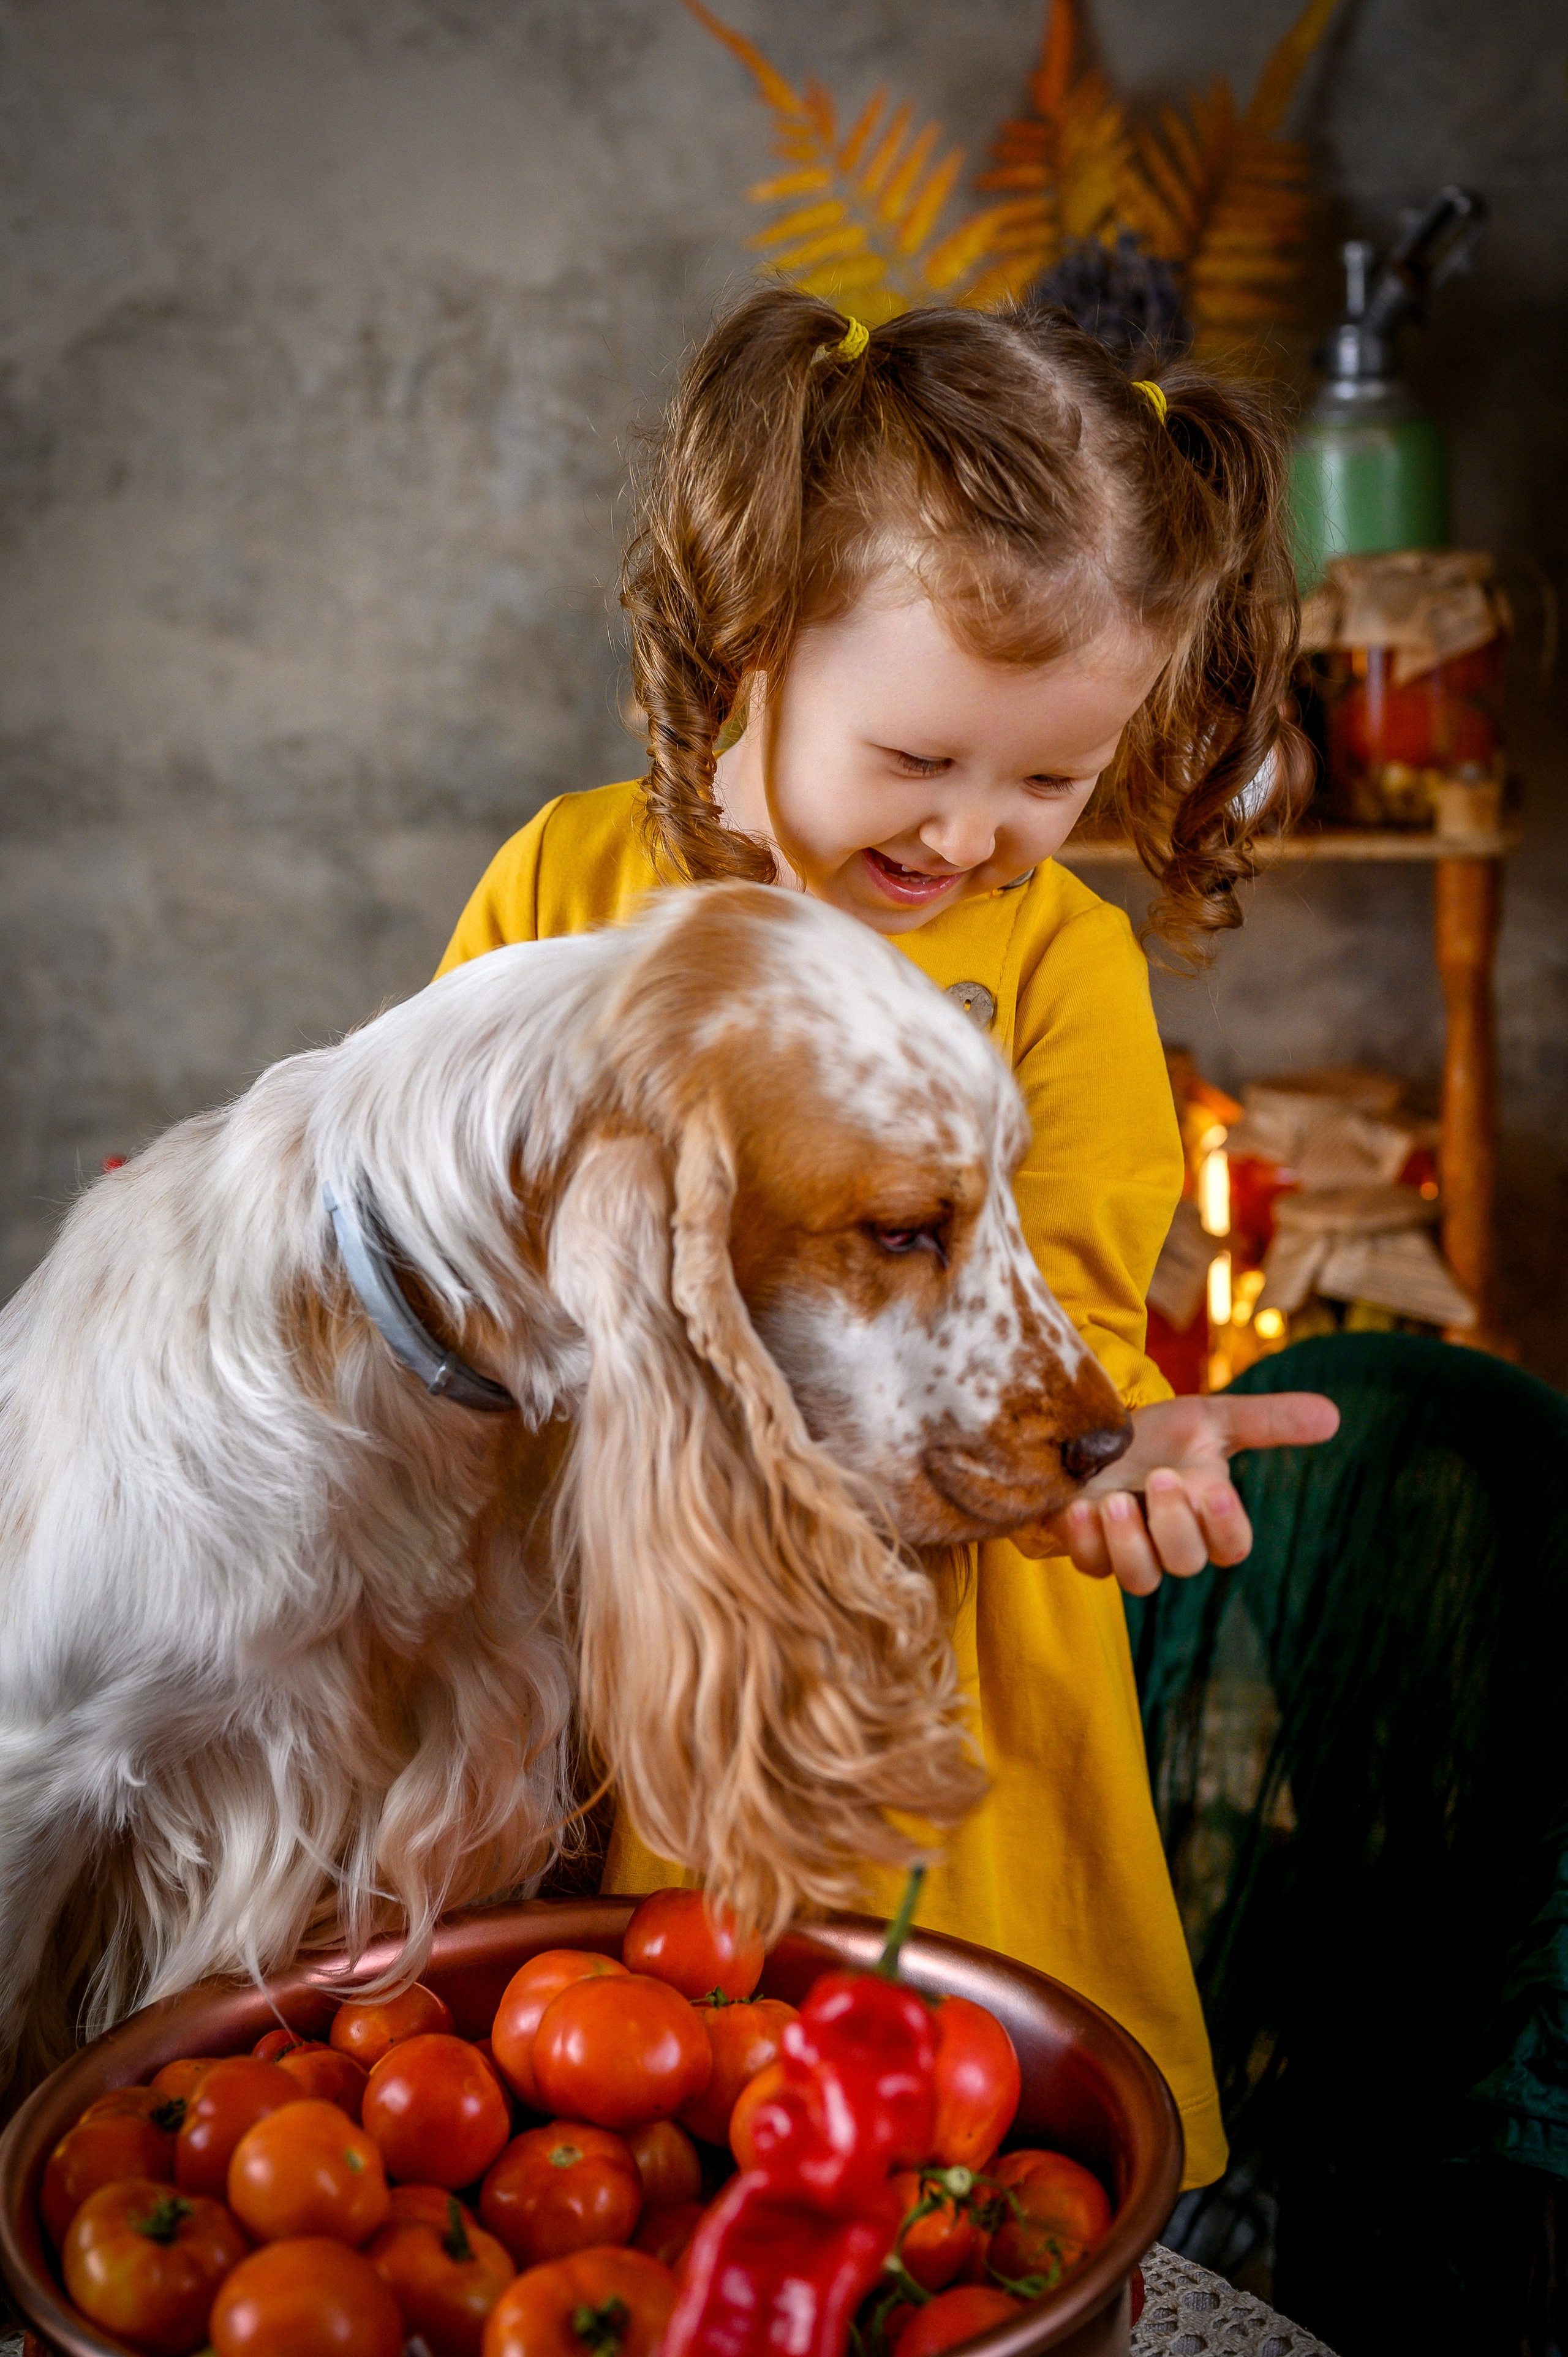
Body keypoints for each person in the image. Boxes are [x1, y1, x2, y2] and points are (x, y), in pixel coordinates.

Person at [434, 289, 1338, 2187]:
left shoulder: (1064, 969)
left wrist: (1105, 1461)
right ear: (754, 638)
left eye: (1050, 781)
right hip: (610, 1639)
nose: (976, 834)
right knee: (599, 2151)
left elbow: (1054, 1322)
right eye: (920, 759)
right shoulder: (568, 888)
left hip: (917, 1688)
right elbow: (451, 1229)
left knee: (933, 2172)